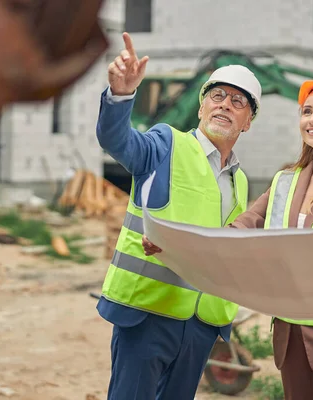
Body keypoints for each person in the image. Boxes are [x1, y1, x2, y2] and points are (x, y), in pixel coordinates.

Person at [143, 76, 313, 399]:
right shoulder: (284, 182)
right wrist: (177, 246)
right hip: (290, 335)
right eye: (306, 111)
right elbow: (235, 234)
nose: (312, 119)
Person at [95, 32, 263, 400]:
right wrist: (121, 96)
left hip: (202, 323)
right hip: (148, 314)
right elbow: (117, 141)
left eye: (237, 102)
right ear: (201, 108)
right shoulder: (164, 144)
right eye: (216, 96)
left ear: (248, 121)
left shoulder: (240, 180)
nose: (224, 105)